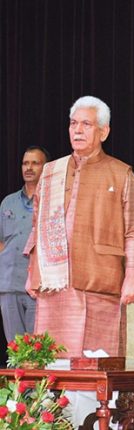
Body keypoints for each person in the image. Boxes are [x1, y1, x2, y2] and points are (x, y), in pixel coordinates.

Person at [24, 95, 134, 358]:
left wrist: (133, 275)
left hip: (99, 279)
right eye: (73, 123)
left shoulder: (121, 172)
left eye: (86, 124)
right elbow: (36, 224)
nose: (77, 130)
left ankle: (95, 402)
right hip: (54, 283)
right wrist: (32, 270)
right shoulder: (51, 171)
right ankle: (51, 401)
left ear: (104, 131)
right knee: (52, 358)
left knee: (95, 360)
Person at [0, 146, 49, 345]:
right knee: (15, 349)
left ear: (45, 168)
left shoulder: (51, 201)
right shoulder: (8, 202)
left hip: (38, 288)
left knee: (36, 351)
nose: (29, 168)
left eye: (35, 163)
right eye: (25, 163)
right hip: (9, 286)